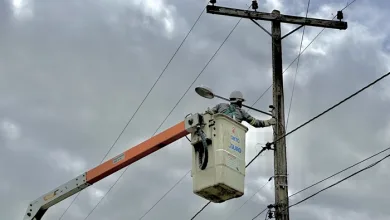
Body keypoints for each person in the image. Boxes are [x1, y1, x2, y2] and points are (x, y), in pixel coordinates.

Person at [206, 90, 276, 128]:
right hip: (232, 135)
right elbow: (256, 123)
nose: (242, 104)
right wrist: (269, 122)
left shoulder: (220, 105)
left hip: (217, 131)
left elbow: (208, 114)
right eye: (241, 102)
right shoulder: (242, 112)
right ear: (239, 101)